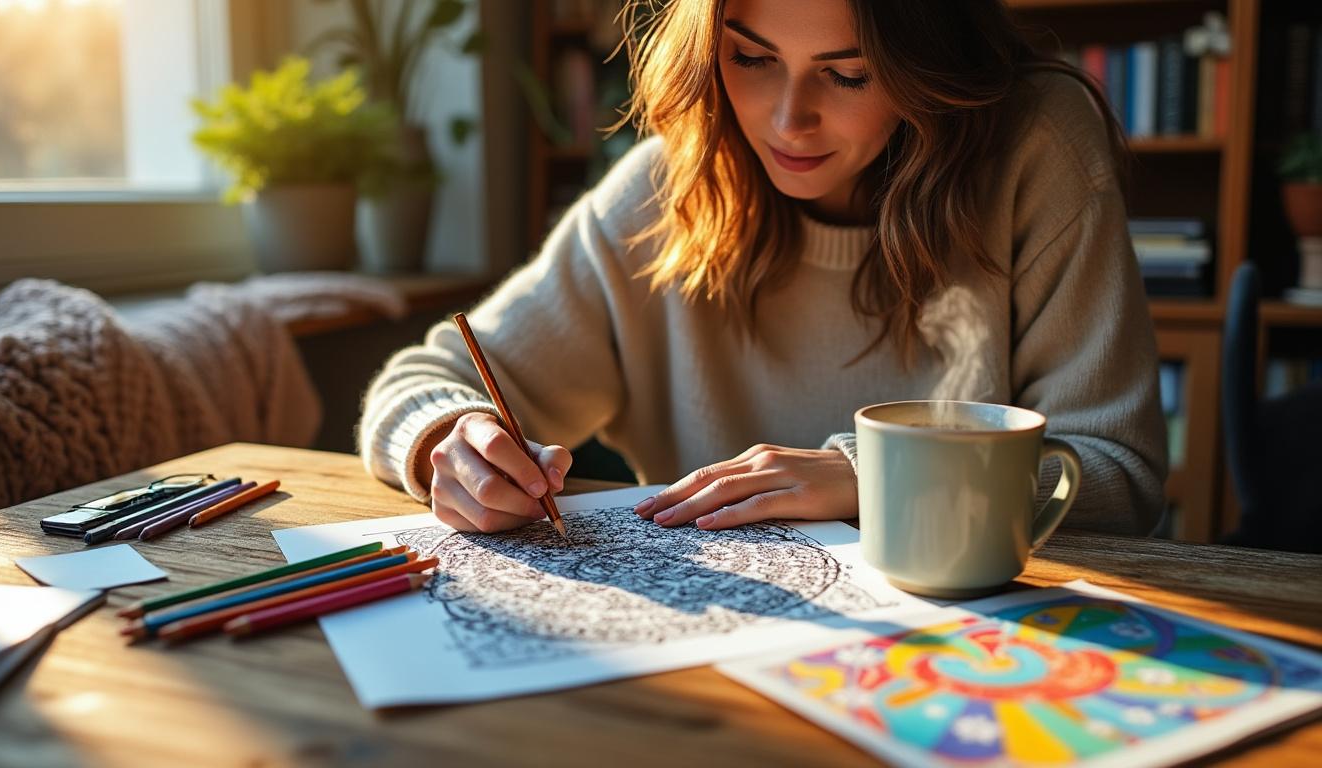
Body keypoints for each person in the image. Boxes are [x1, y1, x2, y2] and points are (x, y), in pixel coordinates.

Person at [359, 0, 1167, 536]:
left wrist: (874, 479)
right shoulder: (668, 189)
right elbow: (425, 378)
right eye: (751, 59)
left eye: (847, 74)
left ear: (931, 63)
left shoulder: (1036, 151)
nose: (788, 119)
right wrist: (448, 442)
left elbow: (1119, 479)